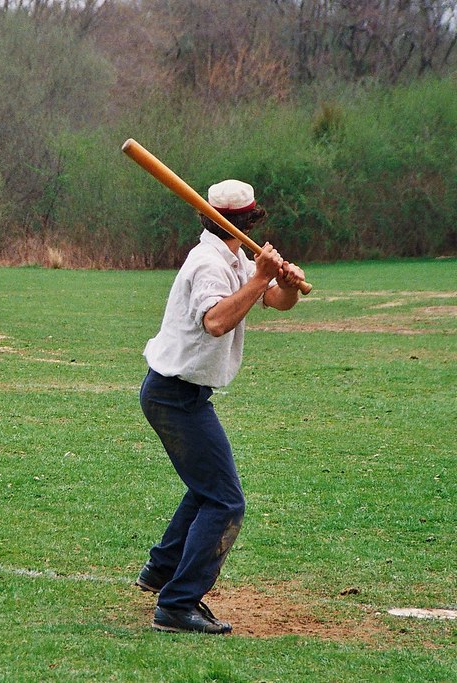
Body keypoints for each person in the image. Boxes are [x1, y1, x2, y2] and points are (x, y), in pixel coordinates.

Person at [135, 179, 306, 634]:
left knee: (207, 488)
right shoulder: (209, 263)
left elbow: (274, 302)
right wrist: (259, 277)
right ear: (251, 219)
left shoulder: (231, 258)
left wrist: (281, 283)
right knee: (225, 501)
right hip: (174, 396)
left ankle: (161, 571)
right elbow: (216, 321)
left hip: (179, 394)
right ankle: (177, 604)